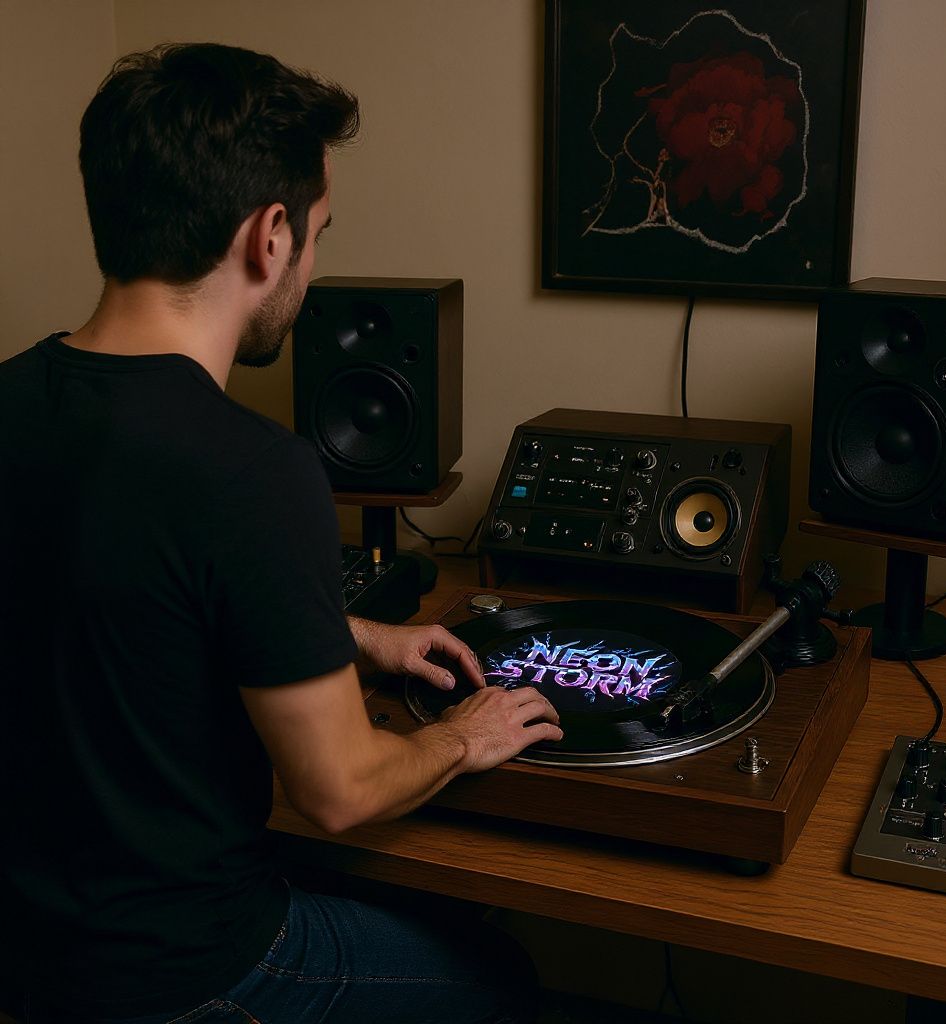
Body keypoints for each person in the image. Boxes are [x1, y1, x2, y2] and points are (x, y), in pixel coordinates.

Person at [0, 42, 562, 1024]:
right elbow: (338, 792)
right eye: (318, 232)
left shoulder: (12, 401)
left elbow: (110, 599)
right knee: (503, 975)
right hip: (185, 974)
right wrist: (463, 740)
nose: (311, 259)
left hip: (24, 956)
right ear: (269, 237)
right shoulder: (251, 468)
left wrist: (349, 635)